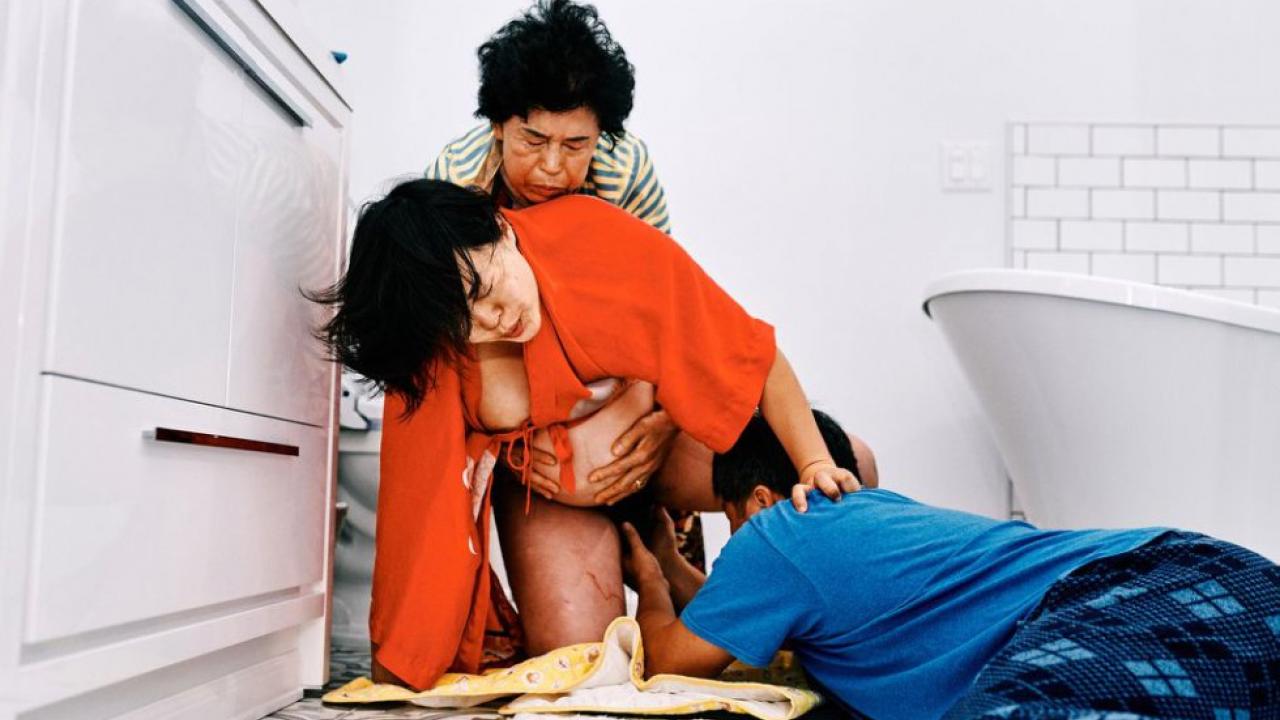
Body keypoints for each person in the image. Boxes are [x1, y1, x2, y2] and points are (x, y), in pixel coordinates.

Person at [312, 179, 861, 690]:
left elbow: (753, 361)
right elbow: (417, 511)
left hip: (662, 454)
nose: (496, 318)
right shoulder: (432, 349)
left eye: (491, 289)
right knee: (581, 664)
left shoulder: (600, 243)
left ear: (500, 228)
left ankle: (674, 564)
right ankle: (652, 572)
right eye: (467, 321)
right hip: (552, 500)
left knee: (849, 471)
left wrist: (814, 464)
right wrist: (399, 670)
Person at [622, 410, 1280, 719]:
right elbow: (733, 621)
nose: (737, 545)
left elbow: (672, 659)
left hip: (1126, 601)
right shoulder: (874, 524)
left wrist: (650, 579)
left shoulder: (779, 529)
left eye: (730, 521)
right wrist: (674, 566)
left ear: (761, 499)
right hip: (1230, 589)